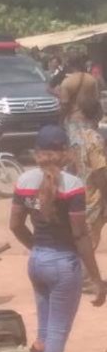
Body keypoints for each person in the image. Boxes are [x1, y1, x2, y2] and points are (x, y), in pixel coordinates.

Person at [9, 125, 107, 352]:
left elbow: (16, 225)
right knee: (56, 333)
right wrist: (97, 279)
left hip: (37, 261)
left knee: (44, 329)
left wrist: (37, 248)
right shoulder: (73, 185)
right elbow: (80, 235)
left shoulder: (23, 181)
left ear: (36, 152)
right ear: (65, 152)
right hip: (64, 263)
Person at [67, 100, 107, 252]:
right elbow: (99, 172)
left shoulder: (74, 137)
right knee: (89, 240)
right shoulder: (94, 139)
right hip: (92, 196)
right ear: (98, 115)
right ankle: (85, 274)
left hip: (75, 193)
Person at [59, 53, 99, 136]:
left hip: (74, 118)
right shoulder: (91, 79)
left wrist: (61, 120)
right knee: (90, 145)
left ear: (70, 65)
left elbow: (64, 105)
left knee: (76, 145)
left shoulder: (67, 82)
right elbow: (96, 99)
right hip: (90, 118)